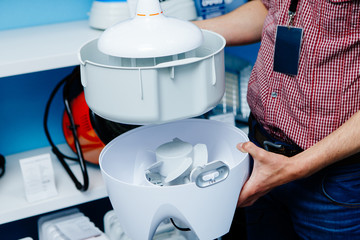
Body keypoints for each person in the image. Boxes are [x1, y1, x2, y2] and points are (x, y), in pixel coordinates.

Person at [195, 0, 360, 239]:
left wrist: (294, 167)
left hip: (331, 182)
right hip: (261, 153)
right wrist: (185, 35)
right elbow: (269, 8)